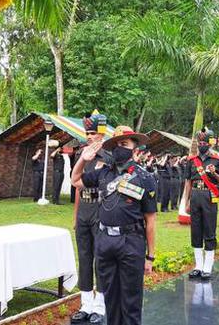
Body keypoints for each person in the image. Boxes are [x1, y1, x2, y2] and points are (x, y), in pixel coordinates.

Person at [72, 125, 157, 325]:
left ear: (134, 148)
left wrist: (150, 257)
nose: (120, 147)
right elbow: (75, 181)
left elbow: (151, 220)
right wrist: (83, 159)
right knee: (111, 298)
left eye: (124, 144)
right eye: (117, 144)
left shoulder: (144, 178)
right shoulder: (104, 173)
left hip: (131, 242)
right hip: (105, 242)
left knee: (131, 300)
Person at [70, 111, 110, 324]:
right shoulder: (82, 156)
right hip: (85, 208)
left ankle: (100, 305)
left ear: (101, 135)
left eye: (93, 133)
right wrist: (76, 217)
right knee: (84, 257)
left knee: (100, 259)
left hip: (101, 209)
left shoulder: (108, 157)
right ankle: (85, 304)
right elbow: (77, 188)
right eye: (87, 132)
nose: (89, 136)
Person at [184, 128, 219, 281]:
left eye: (204, 142)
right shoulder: (191, 161)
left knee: (209, 230)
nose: (202, 144)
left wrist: (214, 173)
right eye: (199, 142)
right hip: (195, 196)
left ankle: (207, 267)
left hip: (209, 197)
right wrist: (186, 202)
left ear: (209, 143)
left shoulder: (217, 159)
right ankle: (198, 266)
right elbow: (188, 183)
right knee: (195, 231)